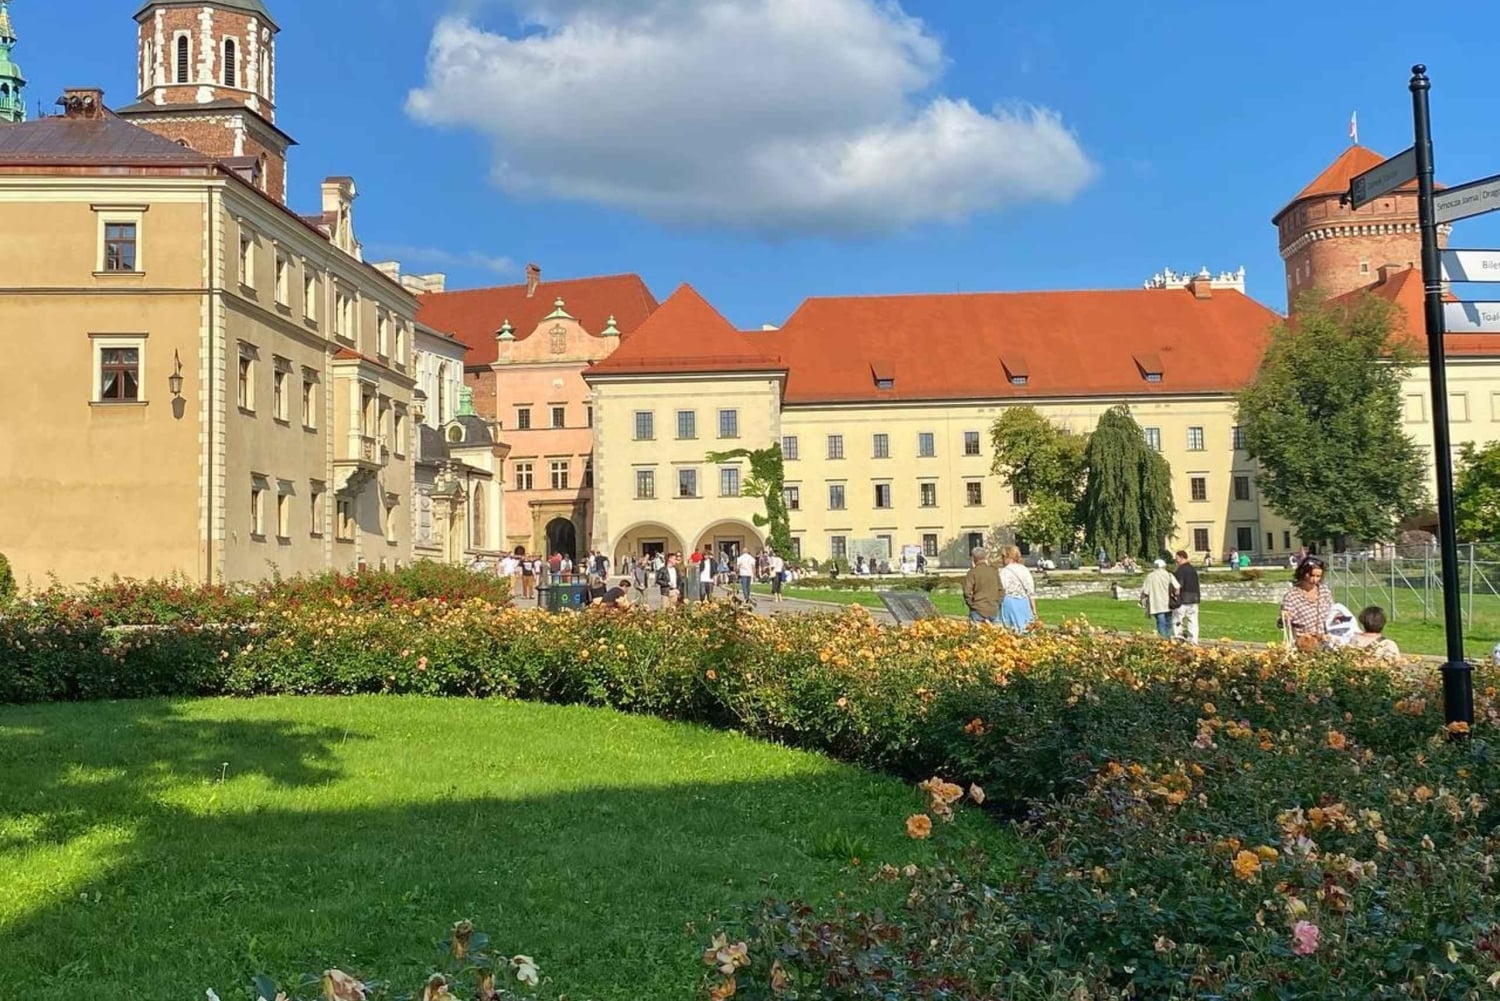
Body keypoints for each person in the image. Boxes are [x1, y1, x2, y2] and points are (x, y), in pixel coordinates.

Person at [1280, 557, 1334, 651]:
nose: (1314, 580)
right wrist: (1285, 617)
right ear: (1303, 573)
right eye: (1311, 575)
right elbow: (1284, 623)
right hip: (1304, 644)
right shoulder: (1292, 596)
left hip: (1325, 642)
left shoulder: (1324, 591)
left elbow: (1332, 612)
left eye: (1318, 576)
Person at [998, 545, 1037, 632]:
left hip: (1009, 602)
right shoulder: (1025, 570)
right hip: (1024, 602)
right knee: (1025, 629)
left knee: (1011, 629)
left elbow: (1001, 589)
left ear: (1007, 557)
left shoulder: (1005, 571)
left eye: (1003, 557)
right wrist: (1034, 610)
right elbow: (1031, 591)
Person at [1141, 558, 1180, 639]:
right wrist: (1175, 595)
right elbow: (1177, 587)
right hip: (1168, 602)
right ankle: (1168, 638)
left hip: (1156, 603)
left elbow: (1145, 592)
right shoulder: (1169, 575)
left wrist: (1142, 601)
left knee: (1161, 622)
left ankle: (1163, 639)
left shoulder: (1150, 576)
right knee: (1168, 622)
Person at [962, 546, 1001, 625]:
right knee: (996, 635)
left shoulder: (972, 573)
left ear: (973, 558)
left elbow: (967, 592)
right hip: (993, 609)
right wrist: (997, 602)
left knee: (978, 635)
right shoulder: (994, 571)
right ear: (985, 557)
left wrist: (972, 604)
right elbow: (1001, 590)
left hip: (978, 609)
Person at [1171, 549, 1201, 644]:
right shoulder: (1193, 569)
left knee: (1177, 620)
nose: (1176, 560)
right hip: (1194, 599)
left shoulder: (1181, 570)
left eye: (1177, 558)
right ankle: (1194, 641)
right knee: (1193, 621)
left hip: (1183, 599)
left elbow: (1178, 585)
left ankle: (1179, 638)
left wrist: (1175, 595)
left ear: (1181, 557)